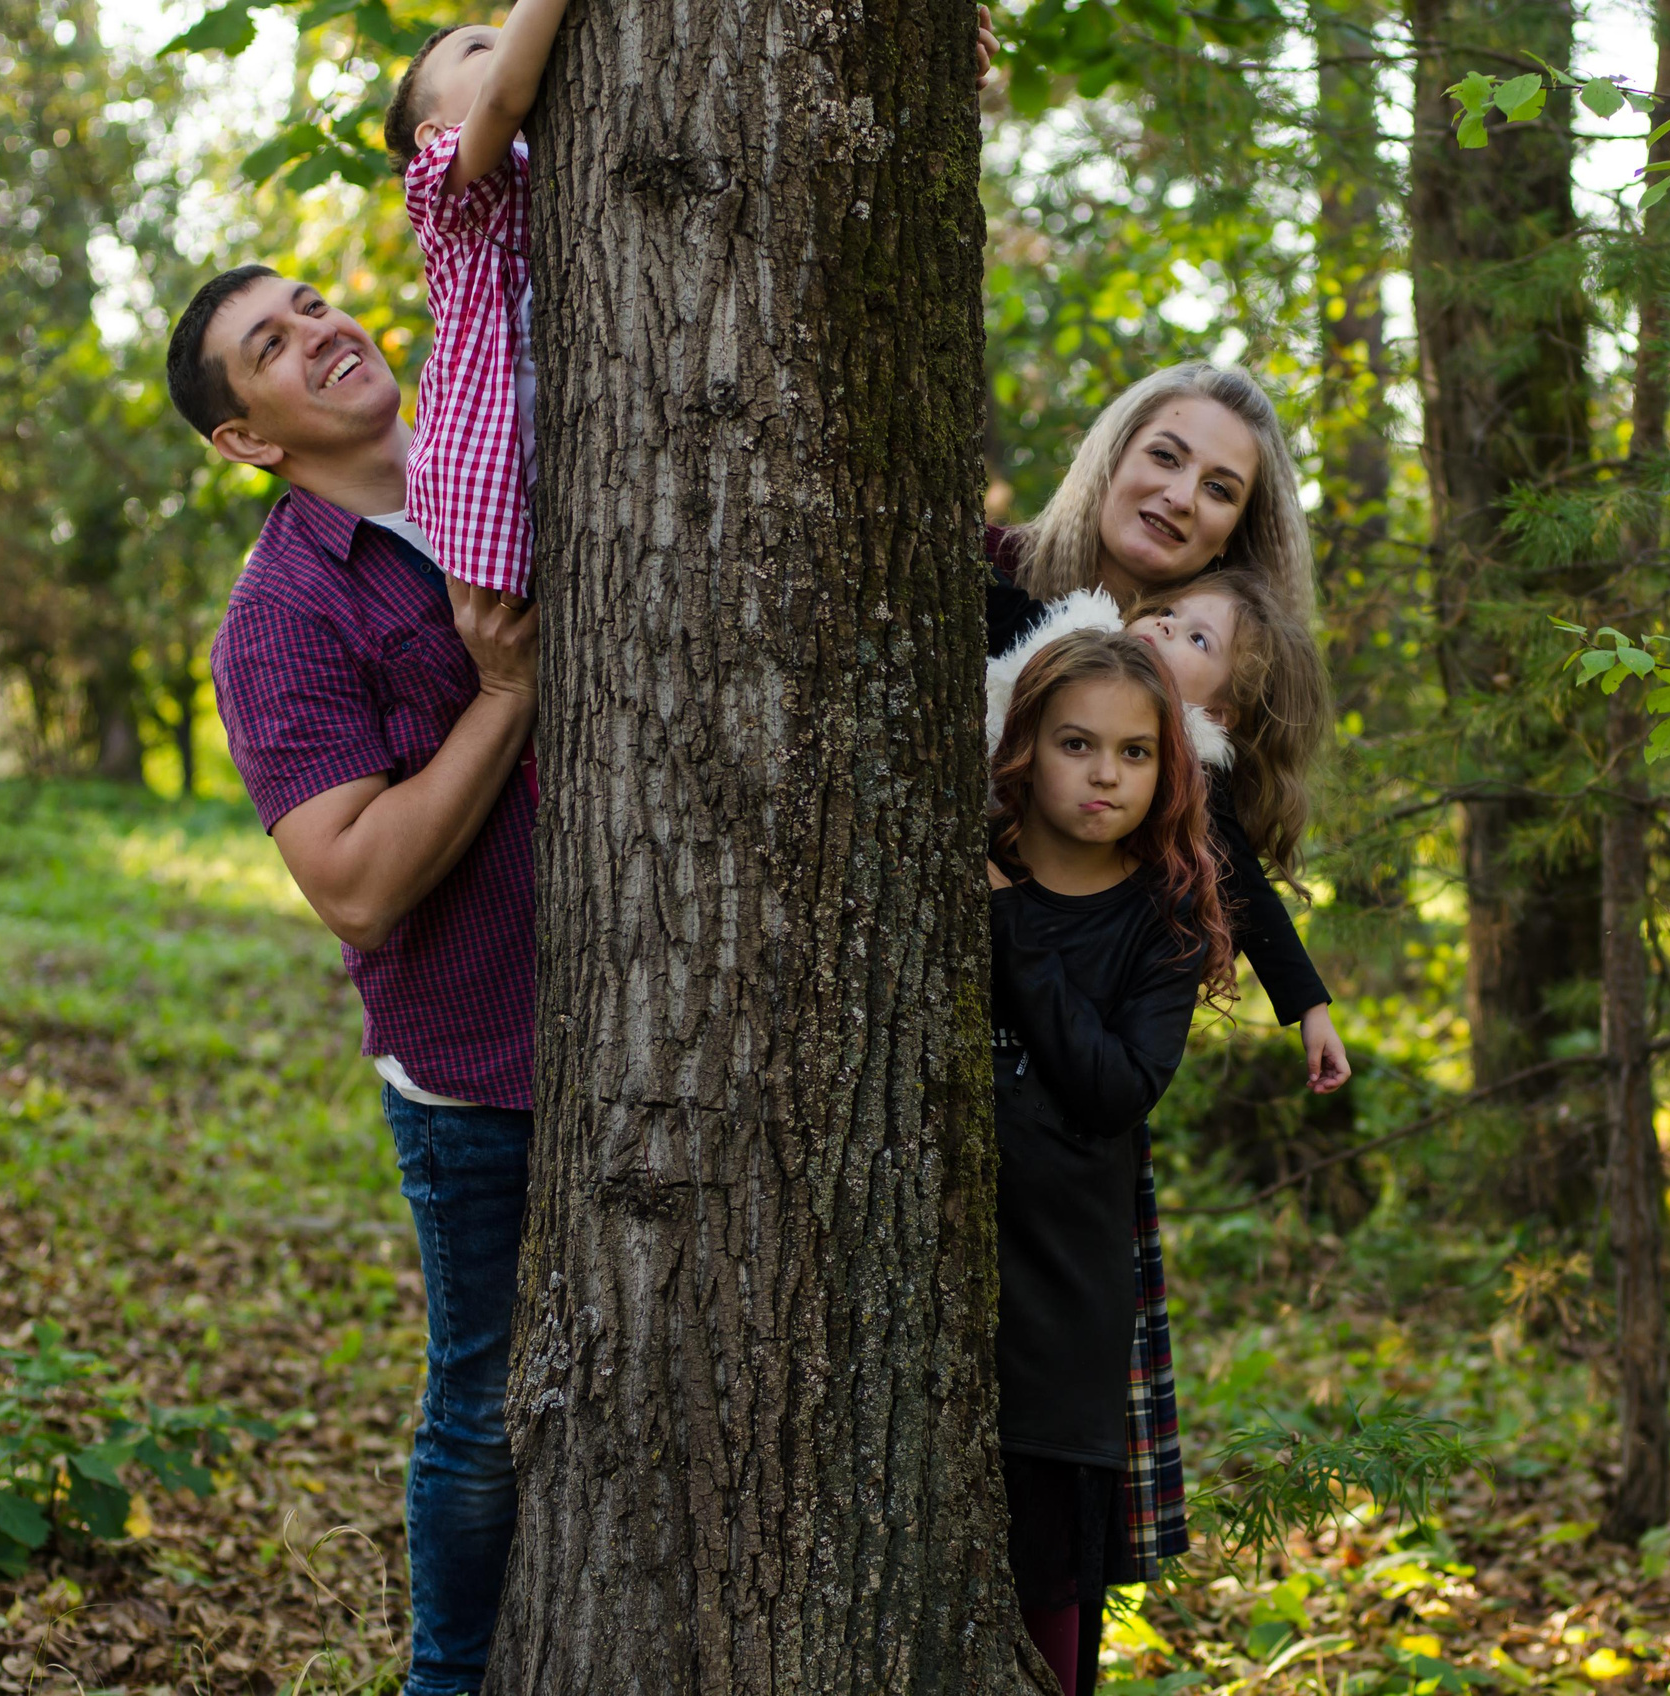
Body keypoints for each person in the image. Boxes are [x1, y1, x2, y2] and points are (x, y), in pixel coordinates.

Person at [164, 264, 536, 1696]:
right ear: (246, 439)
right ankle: (449, 1682)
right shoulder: (280, 617)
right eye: (272, 343)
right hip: (480, 1069)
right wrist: (504, 695)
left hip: (659, 1035)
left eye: (314, 302)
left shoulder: (503, 462)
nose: (322, 329)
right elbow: (356, 884)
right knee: (483, 1403)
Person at [380, 0, 1003, 598]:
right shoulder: (442, 190)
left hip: (566, 479)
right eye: (478, 47)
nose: (511, 38)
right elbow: (502, 96)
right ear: (434, 133)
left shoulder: (561, 161)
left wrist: (918, 73)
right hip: (486, 504)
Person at [985, 629, 1235, 1696]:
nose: (1104, 774)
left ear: (1165, 768)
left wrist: (1011, 926)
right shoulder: (952, 868)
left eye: (1134, 753)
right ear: (1024, 745)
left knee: (1048, 1590)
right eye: (1076, 743)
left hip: (1066, 1307)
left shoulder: (1162, 922)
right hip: (938, 1286)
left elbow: (1114, 1088)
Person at [985, 362, 1347, 1092]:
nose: (1181, 496)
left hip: (1062, 1076)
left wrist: (1305, 1001)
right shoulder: (981, 574)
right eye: (1165, 455)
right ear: (1112, 455)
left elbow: (1231, 863)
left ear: (1232, 534)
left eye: (1219, 489)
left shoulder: (1186, 713)